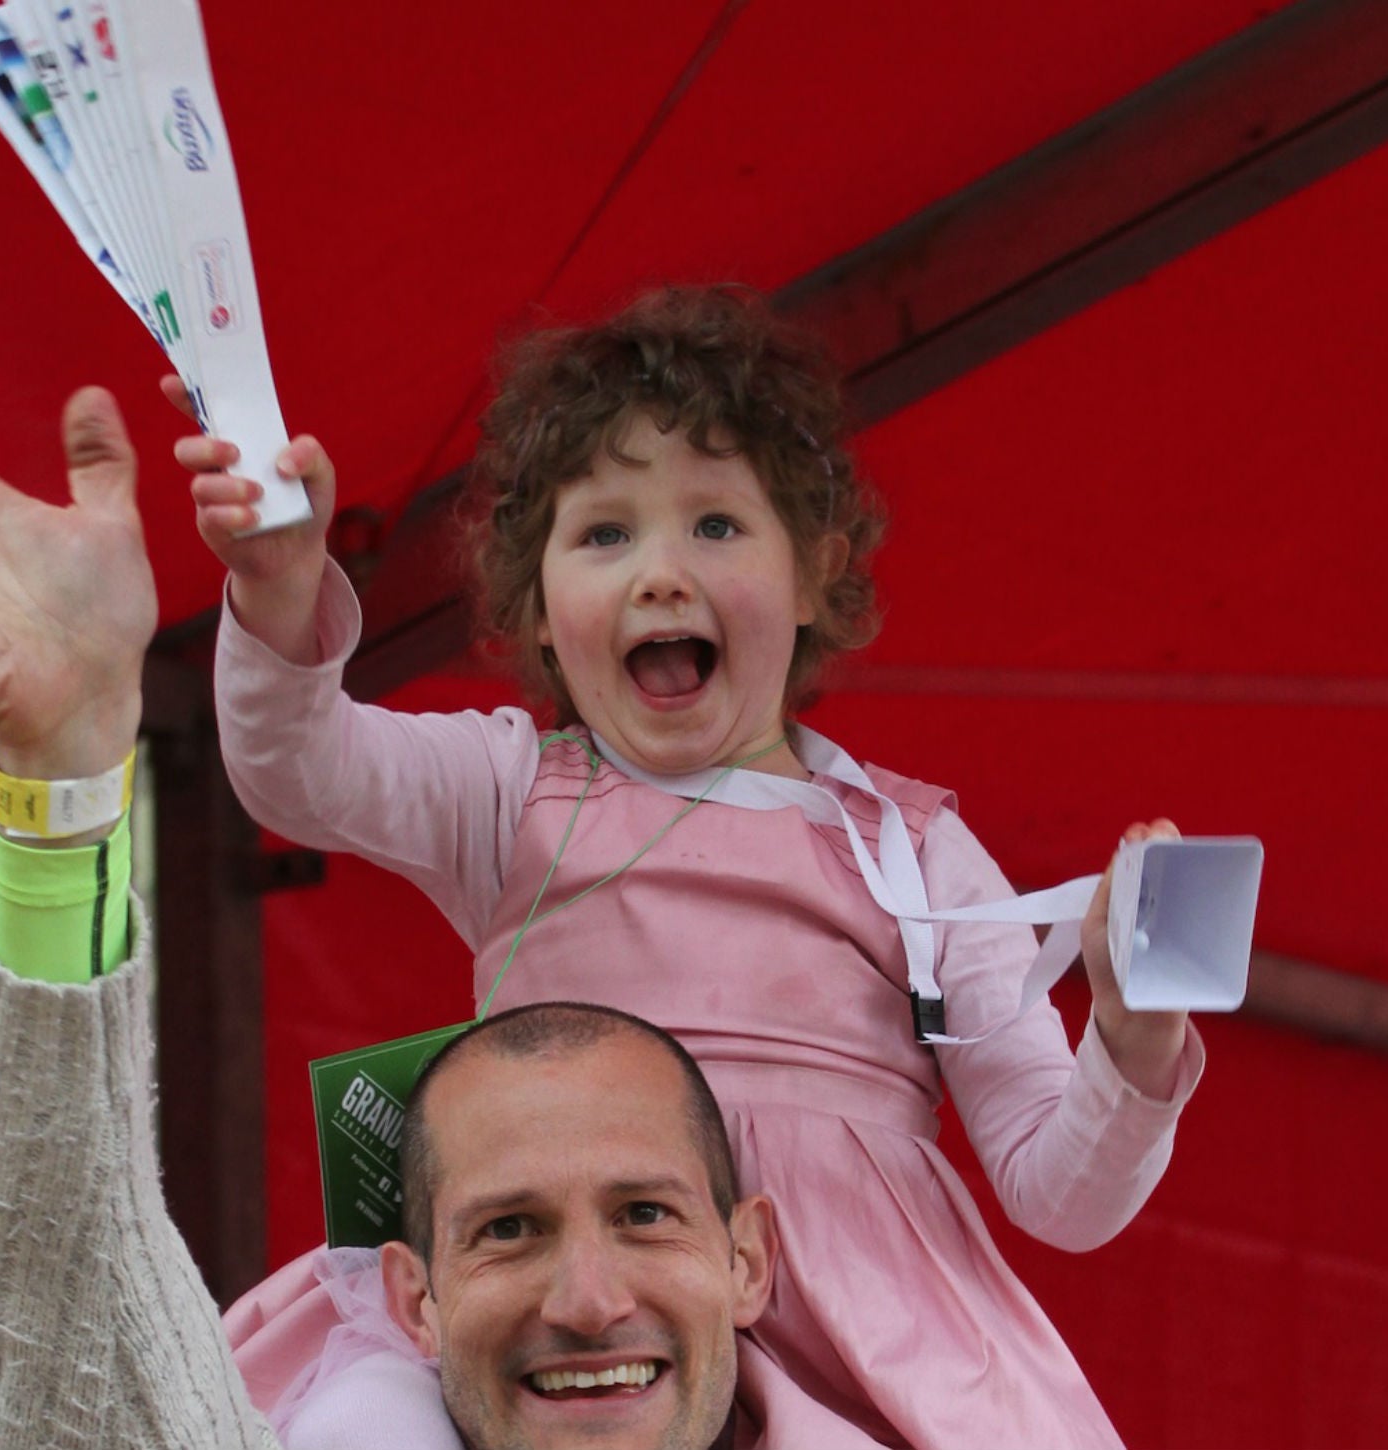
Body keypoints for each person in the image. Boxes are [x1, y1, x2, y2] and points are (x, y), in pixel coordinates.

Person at [0, 352, 893, 1450]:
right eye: (506, 1230)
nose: (587, 1299)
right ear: (412, 1294)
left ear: (747, 1261)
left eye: (643, 1214)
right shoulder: (512, 783)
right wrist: (61, 774)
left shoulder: (899, 846)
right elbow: (70, 1338)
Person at [181, 286, 1206, 1449]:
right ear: (541, 598)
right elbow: (298, 768)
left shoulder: (913, 851)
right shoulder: (512, 792)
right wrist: (277, 598)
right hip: (551, 1312)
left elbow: (1058, 1194)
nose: (659, 573)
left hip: (847, 1356)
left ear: (815, 568)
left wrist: (1134, 1040)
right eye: (604, 533)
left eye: (714, 525)